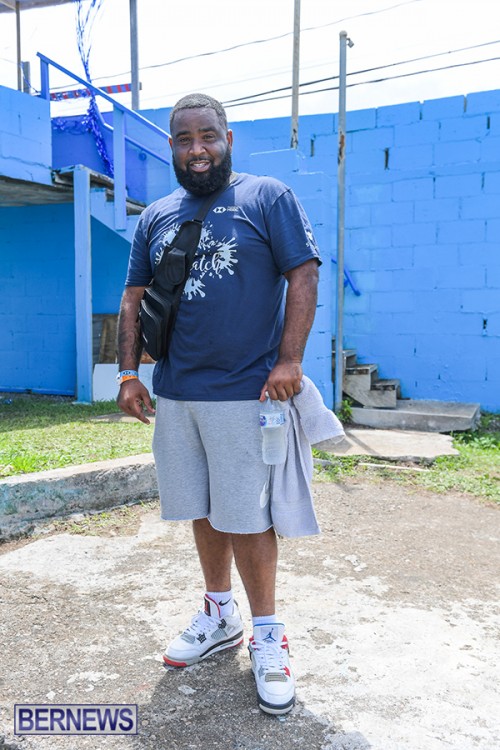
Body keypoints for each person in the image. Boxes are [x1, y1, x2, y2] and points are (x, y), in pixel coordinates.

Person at [117, 93, 320, 716]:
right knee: (201, 507)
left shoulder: (266, 197)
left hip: (245, 392)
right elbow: (133, 297)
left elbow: (304, 274)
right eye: (184, 139)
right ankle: (219, 614)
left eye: (207, 136)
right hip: (177, 393)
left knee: (249, 516)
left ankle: (267, 635)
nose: (197, 149)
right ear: (171, 147)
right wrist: (128, 372)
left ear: (227, 138)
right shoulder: (156, 216)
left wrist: (289, 360)